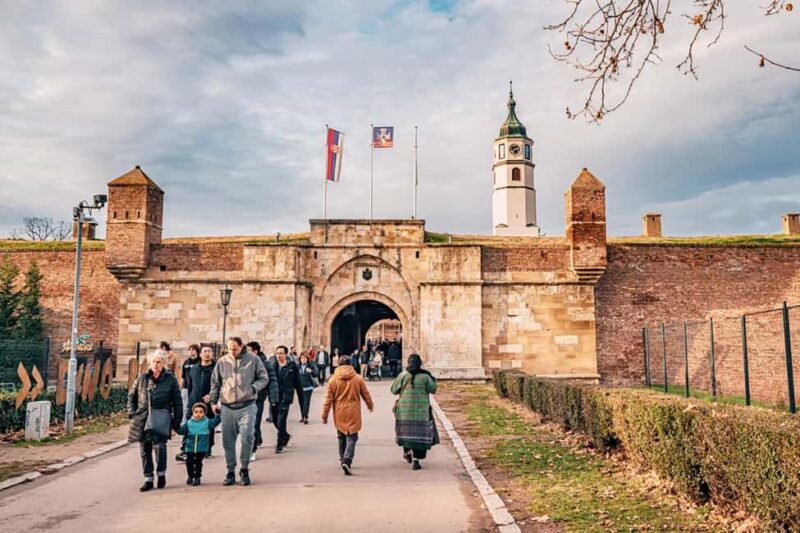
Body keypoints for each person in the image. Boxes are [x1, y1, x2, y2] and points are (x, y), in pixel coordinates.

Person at [210, 336, 269, 486]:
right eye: (229, 349)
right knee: (228, 441)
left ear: (241, 346)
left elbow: (264, 378)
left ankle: (244, 468)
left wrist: (253, 388)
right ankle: (230, 470)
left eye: (235, 349)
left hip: (247, 405)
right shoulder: (222, 362)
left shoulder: (253, 360)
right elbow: (215, 383)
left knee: (247, 437)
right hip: (227, 406)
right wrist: (213, 401)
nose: (232, 352)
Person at [127, 349, 183, 492]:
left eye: (159, 362)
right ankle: (148, 478)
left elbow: (177, 402)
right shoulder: (142, 378)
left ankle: (161, 474)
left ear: (164, 363)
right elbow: (131, 396)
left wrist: (176, 424)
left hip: (161, 418)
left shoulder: (170, 379)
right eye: (153, 362)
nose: (156, 364)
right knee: (144, 450)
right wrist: (132, 413)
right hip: (142, 418)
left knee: (160, 448)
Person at [322, 355, 373, 475]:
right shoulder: (358, 378)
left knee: (341, 435)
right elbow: (365, 394)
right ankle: (347, 459)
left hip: (339, 410)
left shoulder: (333, 379)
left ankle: (342, 459)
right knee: (352, 436)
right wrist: (370, 405)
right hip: (353, 409)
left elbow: (328, 399)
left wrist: (324, 415)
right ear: (351, 364)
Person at [391, 353, 439, 471]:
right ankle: (416, 460)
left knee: (407, 432)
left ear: (408, 363)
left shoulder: (403, 375)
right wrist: (433, 379)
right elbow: (433, 389)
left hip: (405, 411)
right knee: (419, 435)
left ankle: (407, 451)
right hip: (421, 412)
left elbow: (393, 390)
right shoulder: (425, 376)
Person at [245, 341, 279, 461]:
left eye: (248, 350)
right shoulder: (243, 362)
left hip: (258, 397)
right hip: (244, 398)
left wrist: (273, 397)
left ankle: (252, 450)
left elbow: (272, 380)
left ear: (255, 351)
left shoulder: (265, 363)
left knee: (254, 422)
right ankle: (257, 439)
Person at [269, 345, 304, 453]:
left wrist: (302, 403)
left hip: (286, 396)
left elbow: (298, 384)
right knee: (274, 419)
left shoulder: (292, 367)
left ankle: (280, 443)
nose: (279, 355)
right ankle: (285, 435)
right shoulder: (272, 366)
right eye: (277, 353)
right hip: (275, 396)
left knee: (281, 419)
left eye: (281, 353)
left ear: (285, 354)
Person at [177, 403, 221, 486]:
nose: (198, 414)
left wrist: (218, 414)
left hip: (201, 447)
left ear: (204, 413)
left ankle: (197, 477)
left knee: (198, 463)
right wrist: (175, 426)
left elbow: (216, 422)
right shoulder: (188, 423)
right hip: (190, 447)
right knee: (189, 462)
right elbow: (181, 431)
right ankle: (190, 476)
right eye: (196, 412)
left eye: (201, 412)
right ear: (192, 413)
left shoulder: (207, 422)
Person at [185, 345, 217, 456]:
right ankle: (187, 448)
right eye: (205, 351)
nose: (207, 353)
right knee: (190, 424)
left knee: (208, 425)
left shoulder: (216, 369)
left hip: (209, 402)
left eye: (209, 351)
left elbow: (220, 385)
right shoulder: (194, 369)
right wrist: (190, 402)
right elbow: (190, 386)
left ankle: (207, 448)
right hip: (194, 402)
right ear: (200, 354)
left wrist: (211, 395)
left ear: (212, 354)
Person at [176, 343, 201, 462]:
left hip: (198, 392)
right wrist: (182, 388)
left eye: (193, 350)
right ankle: (185, 449)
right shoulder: (186, 363)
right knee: (188, 416)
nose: (191, 352)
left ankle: (200, 448)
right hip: (187, 390)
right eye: (190, 350)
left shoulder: (200, 362)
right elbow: (183, 378)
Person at [298, 353, 318, 424]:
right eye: (302, 358)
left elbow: (316, 374)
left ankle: (305, 417)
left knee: (306, 402)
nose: (303, 360)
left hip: (308, 387)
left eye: (304, 358)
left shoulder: (311, 366)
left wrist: (311, 371)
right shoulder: (298, 367)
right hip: (300, 388)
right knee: (301, 402)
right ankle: (302, 415)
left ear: (307, 359)